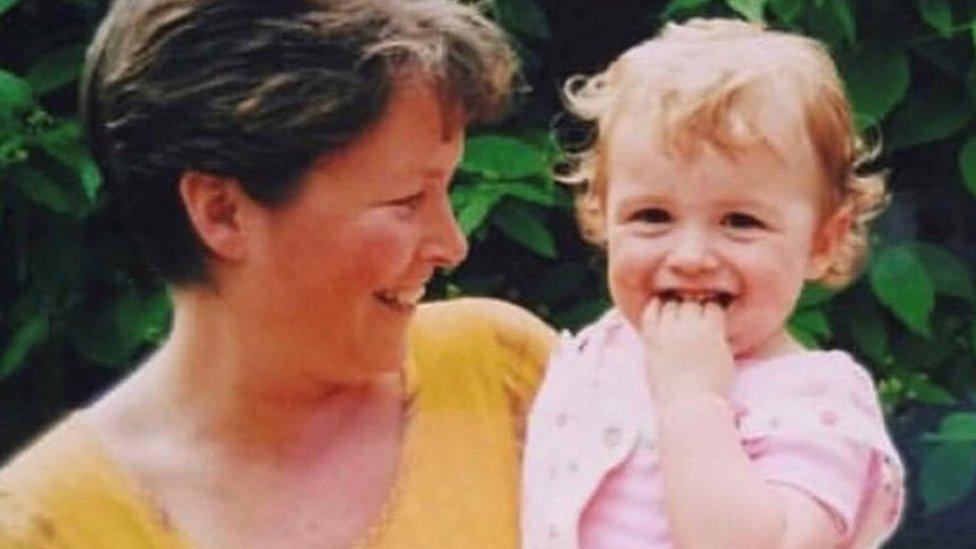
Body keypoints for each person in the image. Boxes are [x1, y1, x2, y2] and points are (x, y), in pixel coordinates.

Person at [0, 0, 555, 547]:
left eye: (446, 190)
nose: (451, 245)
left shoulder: (502, 372)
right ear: (222, 212)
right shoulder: (47, 525)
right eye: (406, 200)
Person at [522, 18, 904, 548]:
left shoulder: (815, 402)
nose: (691, 256)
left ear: (822, 241)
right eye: (652, 215)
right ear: (599, 214)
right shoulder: (602, 353)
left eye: (740, 222)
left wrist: (692, 399)